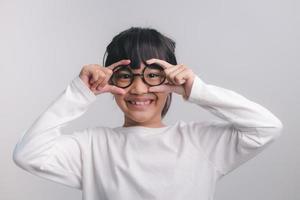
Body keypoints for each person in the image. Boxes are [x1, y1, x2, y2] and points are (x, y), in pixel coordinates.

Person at [13, 27, 283, 200]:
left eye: (153, 75)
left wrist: (196, 90)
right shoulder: (92, 147)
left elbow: (266, 127)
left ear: (171, 80)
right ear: (111, 80)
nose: (139, 88)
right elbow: (28, 154)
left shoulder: (200, 142)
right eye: (125, 76)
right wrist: (79, 92)